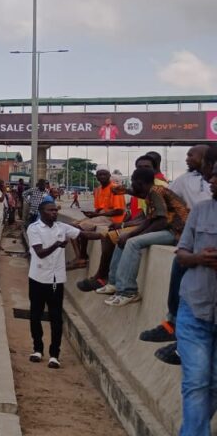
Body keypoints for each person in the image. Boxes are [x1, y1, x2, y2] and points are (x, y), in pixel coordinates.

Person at [141, 145, 216, 364]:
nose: (188, 158)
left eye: (192, 155)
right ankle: (176, 328)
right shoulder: (185, 180)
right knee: (183, 270)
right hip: (193, 235)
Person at [26, 200, 104, 368]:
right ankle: (37, 349)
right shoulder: (34, 228)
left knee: (56, 318)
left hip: (55, 280)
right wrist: (57, 245)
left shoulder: (62, 227)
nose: (54, 213)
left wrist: (105, 236)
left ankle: (55, 354)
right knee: (35, 315)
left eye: (55, 210)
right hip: (38, 278)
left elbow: (83, 235)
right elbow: (40, 253)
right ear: (42, 212)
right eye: (50, 210)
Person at [171, 171, 217, 434]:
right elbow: (182, 254)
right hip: (195, 307)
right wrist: (199, 258)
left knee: (213, 384)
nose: (211, 182)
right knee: (196, 382)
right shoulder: (200, 211)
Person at [103, 168, 190, 307]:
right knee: (122, 239)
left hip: (177, 232)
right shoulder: (151, 192)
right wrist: (130, 234)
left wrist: (136, 235)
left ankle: (128, 291)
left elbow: (161, 221)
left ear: (140, 183)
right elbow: (149, 219)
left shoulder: (156, 192)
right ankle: (113, 283)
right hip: (168, 229)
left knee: (132, 243)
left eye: (133, 181)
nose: (131, 185)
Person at [72, 169, 128, 283]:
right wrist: (92, 214)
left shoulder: (115, 189)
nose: (102, 177)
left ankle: (82, 256)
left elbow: (119, 211)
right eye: (99, 175)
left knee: (81, 227)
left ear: (109, 176)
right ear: (96, 177)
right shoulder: (98, 190)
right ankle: (80, 255)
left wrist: (97, 214)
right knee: (71, 226)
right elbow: (98, 208)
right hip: (101, 216)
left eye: (104, 174)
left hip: (112, 219)